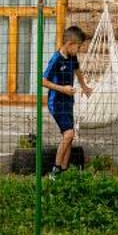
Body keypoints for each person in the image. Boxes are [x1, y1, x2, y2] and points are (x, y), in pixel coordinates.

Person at [39, 25, 89, 175]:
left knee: (69, 136)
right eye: (78, 47)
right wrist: (63, 89)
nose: (78, 50)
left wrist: (85, 87)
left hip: (68, 102)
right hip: (56, 102)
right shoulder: (56, 59)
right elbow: (42, 81)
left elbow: (78, 71)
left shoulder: (72, 57)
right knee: (68, 134)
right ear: (69, 44)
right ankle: (55, 170)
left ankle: (64, 170)